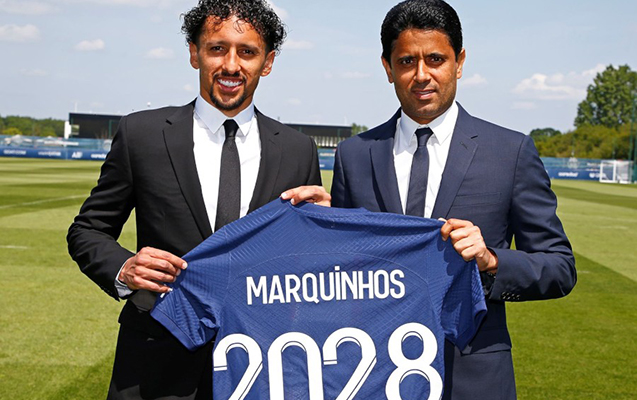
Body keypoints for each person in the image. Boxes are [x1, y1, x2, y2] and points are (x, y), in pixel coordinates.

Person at [67, 0, 324, 398]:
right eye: (217, 48)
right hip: (155, 361)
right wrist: (124, 268)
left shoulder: (298, 150)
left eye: (248, 52)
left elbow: (308, 264)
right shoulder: (142, 135)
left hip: (260, 364)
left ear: (268, 62)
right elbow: (87, 229)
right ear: (194, 53)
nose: (231, 65)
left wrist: (325, 229)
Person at [330, 0, 577, 399]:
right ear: (388, 68)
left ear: (459, 62)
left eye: (436, 59)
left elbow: (560, 268)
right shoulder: (354, 155)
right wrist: (313, 223)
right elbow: (340, 272)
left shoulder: (510, 152)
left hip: (473, 379)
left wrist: (491, 261)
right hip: (375, 377)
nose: (421, 75)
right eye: (407, 61)